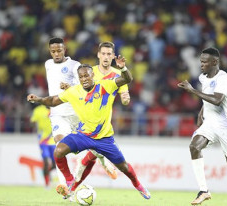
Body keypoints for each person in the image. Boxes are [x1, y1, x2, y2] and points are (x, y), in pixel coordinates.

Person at [27, 63, 151, 200]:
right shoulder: (74, 91)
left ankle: (138, 185)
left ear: (93, 75)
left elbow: (127, 79)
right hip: (83, 135)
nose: (84, 79)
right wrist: (38, 99)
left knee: (124, 167)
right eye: (81, 77)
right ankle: (69, 181)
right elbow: (53, 100)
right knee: (59, 151)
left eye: (86, 75)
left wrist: (123, 68)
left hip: (104, 139)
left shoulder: (105, 85)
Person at [177, 47, 227, 206]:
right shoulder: (203, 78)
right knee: (194, 147)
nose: (201, 64)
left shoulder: (223, 77)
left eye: (205, 62)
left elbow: (218, 99)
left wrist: (192, 91)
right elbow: (207, 99)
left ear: (215, 62)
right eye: (200, 61)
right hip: (210, 124)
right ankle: (204, 190)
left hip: (226, 127)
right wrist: (201, 112)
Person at [45, 37, 114, 186]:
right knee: (59, 146)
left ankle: (103, 161)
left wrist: (69, 86)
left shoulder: (74, 65)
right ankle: (66, 185)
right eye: (53, 51)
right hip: (58, 113)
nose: (56, 54)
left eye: (59, 50)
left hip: (77, 112)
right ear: (50, 52)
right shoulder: (48, 64)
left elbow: (85, 85)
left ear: (65, 49)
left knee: (95, 145)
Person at [70, 42, 130, 182]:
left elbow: (125, 96)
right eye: (103, 53)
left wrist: (126, 98)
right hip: (84, 113)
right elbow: (78, 90)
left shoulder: (117, 74)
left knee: (98, 142)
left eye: (109, 54)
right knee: (96, 141)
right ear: (98, 55)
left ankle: (97, 161)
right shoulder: (90, 72)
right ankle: (97, 162)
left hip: (103, 116)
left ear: (113, 56)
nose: (106, 57)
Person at [30, 105, 56, 188]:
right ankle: (47, 184)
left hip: (54, 139)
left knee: (56, 164)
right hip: (43, 140)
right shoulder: (38, 110)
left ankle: (47, 171)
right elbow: (32, 122)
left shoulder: (56, 108)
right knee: (45, 160)